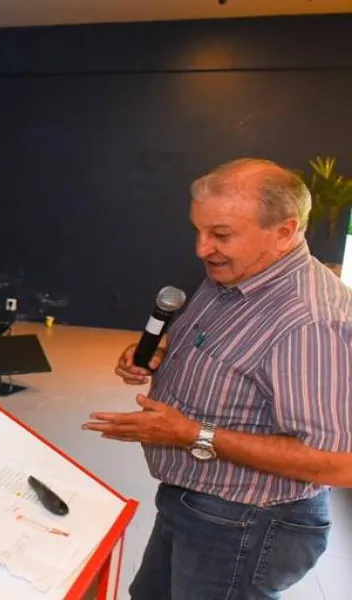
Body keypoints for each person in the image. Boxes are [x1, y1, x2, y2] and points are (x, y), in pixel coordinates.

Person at [82, 159, 352, 600]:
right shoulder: (235, 272)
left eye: (221, 235)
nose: (202, 249)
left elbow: (339, 462)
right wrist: (163, 358)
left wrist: (192, 434)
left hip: (246, 523)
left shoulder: (311, 322)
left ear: (284, 231)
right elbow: (228, 355)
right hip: (194, 499)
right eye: (199, 231)